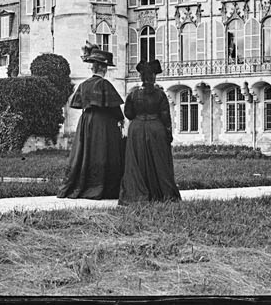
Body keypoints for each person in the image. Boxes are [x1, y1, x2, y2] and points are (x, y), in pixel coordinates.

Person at [57, 43, 125, 200]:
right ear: (103, 68)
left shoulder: (83, 84)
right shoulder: (104, 84)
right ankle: (103, 187)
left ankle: (82, 185)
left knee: (85, 152)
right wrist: (121, 120)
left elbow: (77, 103)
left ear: (93, 68)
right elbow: (114, 108)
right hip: (103, 123)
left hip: (86, 121)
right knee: (103, 152)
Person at [119, 59, 182, 205]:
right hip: (156, 128)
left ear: (141, 77)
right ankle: (161, 193)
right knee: (159, 162)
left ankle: (137, 193)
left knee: (137, 162)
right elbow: (165, 116)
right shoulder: (160, 95)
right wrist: (168, 133)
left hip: (137, 129)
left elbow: (128, 113)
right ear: (154, 77)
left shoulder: (133, 95)